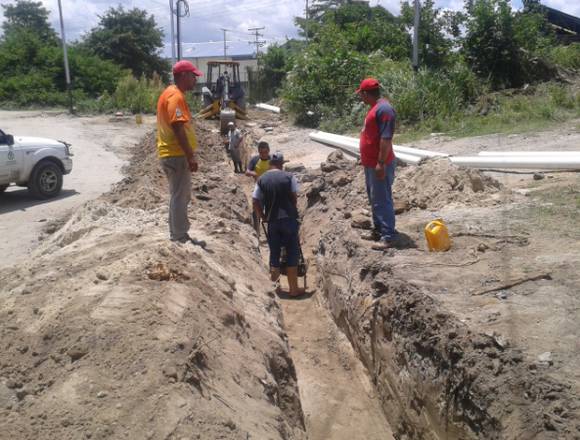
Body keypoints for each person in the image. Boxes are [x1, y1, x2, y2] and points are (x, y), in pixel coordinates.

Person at [156, 60, 205, 246]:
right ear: (183, 75)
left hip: (172, 154)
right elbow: (177, 127)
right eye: (193, 76)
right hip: (176, 154)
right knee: (180, 195)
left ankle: (176, 233)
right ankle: (180, 236)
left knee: (178, 194)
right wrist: (190, 155)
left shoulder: (171, 93)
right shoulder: (175, 97)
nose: (195, 80)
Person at [253, 152, 305, 297]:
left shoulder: (261, 179)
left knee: (274, 252)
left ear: (270, 163)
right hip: (289, 220)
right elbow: (294, 198)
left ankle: (276, 290)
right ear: (282, 164)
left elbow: (255, 201)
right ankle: (294, 290)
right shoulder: (289, 177)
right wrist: (292, 210)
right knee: (292, 252)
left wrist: (263, 216)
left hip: (273, 221)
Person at [356, 77, 398, 250]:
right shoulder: (375, 108)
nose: (361, 98)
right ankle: (379, 230)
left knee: (382, 199)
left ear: (366, 93)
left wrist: (380, 163)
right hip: (371, 163)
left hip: (379, 164)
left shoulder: (385, 109)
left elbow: (385, 139)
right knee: (374, 198)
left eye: (361, 94)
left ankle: (388, 236)